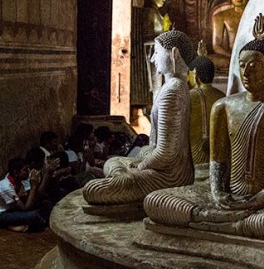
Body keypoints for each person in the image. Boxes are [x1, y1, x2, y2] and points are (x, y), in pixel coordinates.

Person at [144, 14, 264, 242]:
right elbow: (217, 163)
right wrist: (217, 192)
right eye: (242, 66)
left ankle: (213, 223)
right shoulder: (223, 106)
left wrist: (258, 200)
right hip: (225, 197)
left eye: (254, 66)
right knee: (155, 201)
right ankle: (232, 224)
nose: (246, 73)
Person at [82, 30, 194, 207]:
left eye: (157, 53)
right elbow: (157, 147)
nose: (152, 59)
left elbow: (166, 154)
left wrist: (140, 167)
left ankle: (123, 180)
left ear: (174, 54)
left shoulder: (173, 91)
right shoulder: (175, 86)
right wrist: (143, 157)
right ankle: (123, 179)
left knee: (92, 190)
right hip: (166, 166)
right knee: (114, 161)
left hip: (170, 175)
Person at [0, 157, 53, 232]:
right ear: (16, 172)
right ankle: (6, 225)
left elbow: (30, 200)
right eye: (25, 170)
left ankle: (22, 224)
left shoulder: (17, 182)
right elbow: (25, 208)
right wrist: (33, 187)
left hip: (9, 210)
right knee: (33, 215)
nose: (28, 172)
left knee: (46, 204)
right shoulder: (6, 187)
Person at [188, 40, 226, 169]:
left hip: (193, 161)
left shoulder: (189, 96)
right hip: (217, 160)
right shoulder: (222, 97)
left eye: (190, 74)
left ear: (195, 75)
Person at [210, 0, 251, 68]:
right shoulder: (220, 16)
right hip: (229, 56)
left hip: (251, 55)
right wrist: (234, 56)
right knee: (208, 60)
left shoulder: (255, 14)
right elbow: (216, 46)